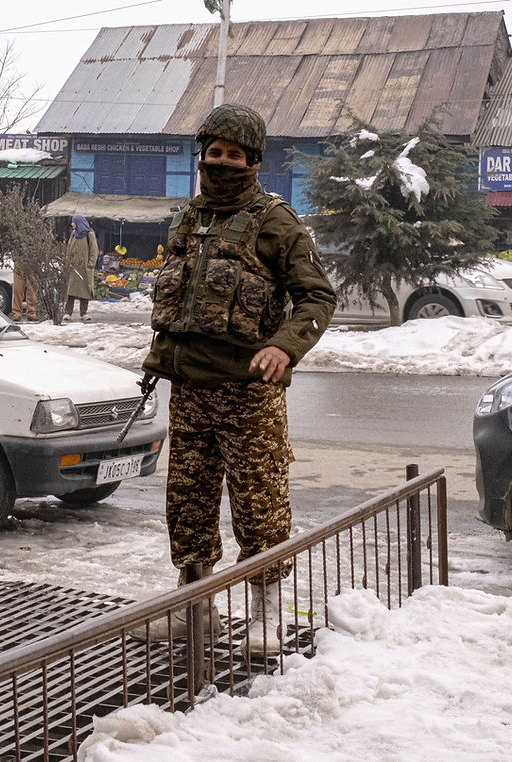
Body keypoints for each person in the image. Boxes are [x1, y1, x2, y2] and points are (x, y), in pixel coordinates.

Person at [140, 103, 336, 652]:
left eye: (234, 154)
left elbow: (317, 296)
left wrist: (283, 346)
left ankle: (267, 616)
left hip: (249, 394)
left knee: (259, 505)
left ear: (252, 160)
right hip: (191, 392)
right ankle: (193, 608)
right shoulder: (188, 219)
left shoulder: (277, 221)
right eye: (214, 152)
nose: (221, 162)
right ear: (201, 155)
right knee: (188, 503)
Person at [64, 214, 98, 322]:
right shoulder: (74, 234)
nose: (72, 224)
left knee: (85, 291)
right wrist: (67, 261)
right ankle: (67, 312)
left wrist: (90, 265)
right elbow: (69, 248)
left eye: (73, 221)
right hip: (74, 268)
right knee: (71, 290)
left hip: (85, 268)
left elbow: (94, 250)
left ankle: (83, 312)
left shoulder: (89, 234)